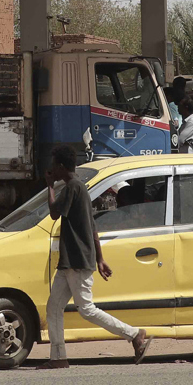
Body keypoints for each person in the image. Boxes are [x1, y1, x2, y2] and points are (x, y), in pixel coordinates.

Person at [39, 145, 152, 369]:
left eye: (54, 166)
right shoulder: (79, 188)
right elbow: (92, 227)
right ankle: (58, 357)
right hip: (71, 261)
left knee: (87, 309)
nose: (52, 169)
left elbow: (53, 213)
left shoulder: (72, 188)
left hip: (77, 260)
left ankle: (134, 334)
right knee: (53, 308)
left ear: (61, 167)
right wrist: (99, 258)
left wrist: (50, 187)